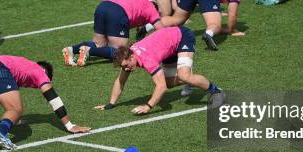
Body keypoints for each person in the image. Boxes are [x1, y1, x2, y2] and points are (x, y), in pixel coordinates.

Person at [94, 26, 224, 115]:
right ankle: (191, 81)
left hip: (182, 36)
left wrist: (148, 106)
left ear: (132, 57)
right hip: (169, 47)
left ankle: (217, 92)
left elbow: (161, 87)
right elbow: (120, 81)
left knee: (184, 76)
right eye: (123, 67)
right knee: (169, 82)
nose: (126, 69)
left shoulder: (146, 59)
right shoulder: (129, 59)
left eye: (126, 65)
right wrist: (111, 103)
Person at [62, 0, 164, 67]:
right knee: (120, 52)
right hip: (118, 12)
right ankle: (89, 51)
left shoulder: (141, 3)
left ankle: (71, 50)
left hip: (103, 6)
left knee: (99, 44)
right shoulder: (153, 10)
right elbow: (162, 31)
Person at [160, 0, 245, 51]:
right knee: (214, 25)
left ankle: (150, 24)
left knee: (177, 19)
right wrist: (232, 30)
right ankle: (208, 34)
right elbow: (232, 14)